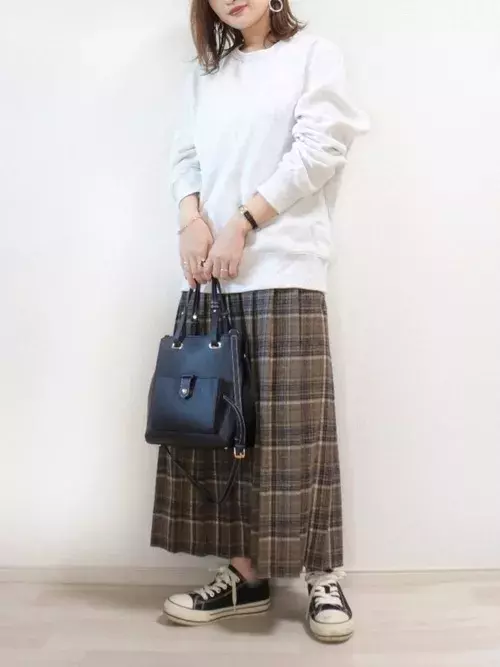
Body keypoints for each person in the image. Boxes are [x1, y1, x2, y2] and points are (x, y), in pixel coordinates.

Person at [151, 0, 368, 643]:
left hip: (285, 265)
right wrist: (192, 221)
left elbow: (320, 149)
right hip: (212, 275)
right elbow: (184, 158)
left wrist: (242, 223)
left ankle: (322, 574)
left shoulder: (313, 56)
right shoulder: (204, 75)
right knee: (220, 434)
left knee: (298, 432)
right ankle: (245, 577)